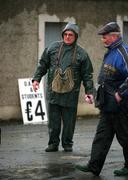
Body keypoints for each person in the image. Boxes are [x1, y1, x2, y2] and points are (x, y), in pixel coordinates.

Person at [76, 22, 128, 176]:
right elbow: (105, 79)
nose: (102, 39)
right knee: (102, 136)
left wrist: (121, 93)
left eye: (104, 37)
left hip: (118, 105)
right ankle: (94, 166)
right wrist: (94, 94)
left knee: (125, 137)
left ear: (114, 36)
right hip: (107, 104)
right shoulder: (111, 52)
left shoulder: (124, 52)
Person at [32, 23, 94, 152]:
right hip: (53, 92)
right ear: (62, 35)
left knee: (69, 122)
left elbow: (87, 75)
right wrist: (36, 79)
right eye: (65, 34)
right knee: (53, 121)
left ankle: (67, 144)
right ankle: (53, 144)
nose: (67, 37)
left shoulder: (82, 53)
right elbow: (42, 64)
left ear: (75, 36)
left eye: (70, 35)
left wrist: (89, 91)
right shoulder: (52, 48)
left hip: (71, 94)